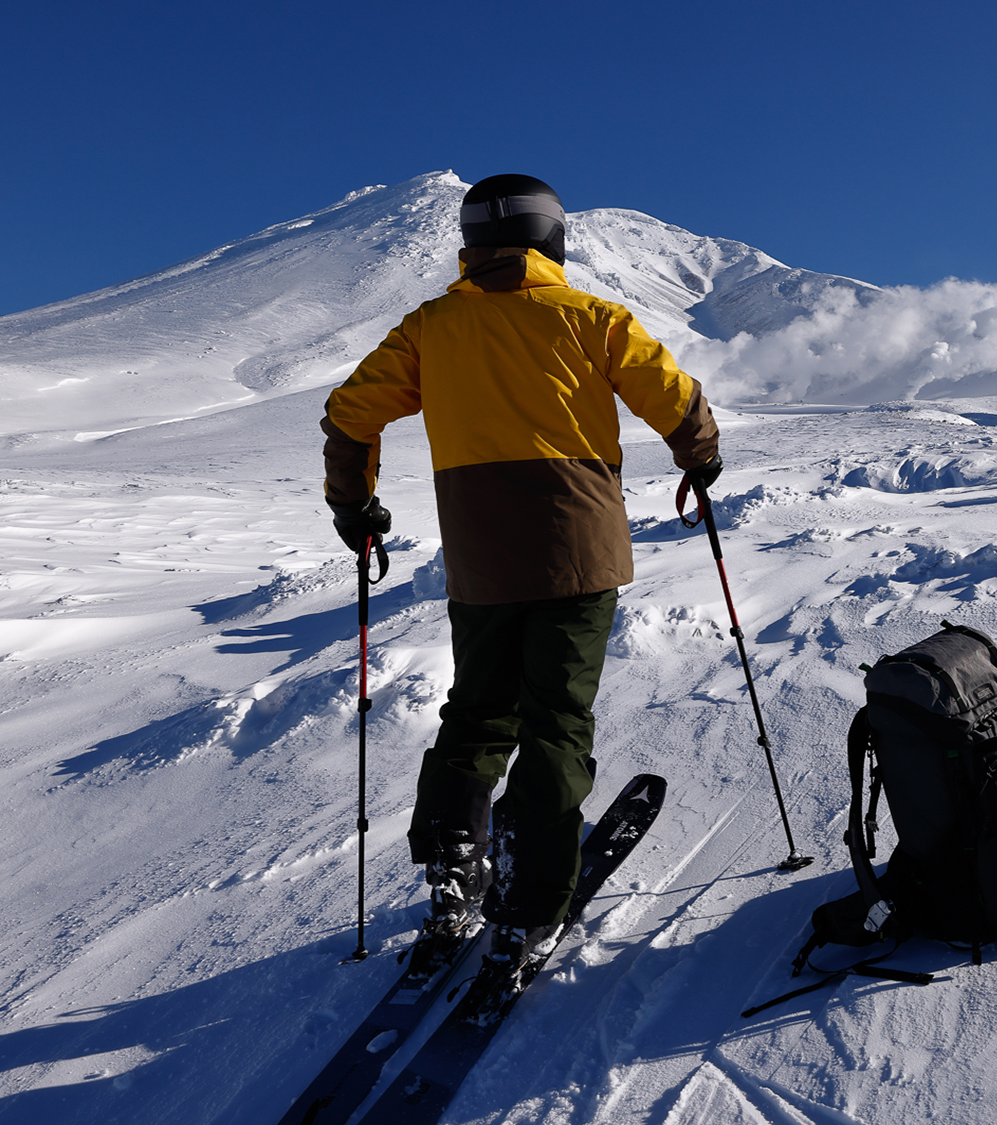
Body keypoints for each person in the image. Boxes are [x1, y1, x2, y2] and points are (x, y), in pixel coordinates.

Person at [319, 173, 721, 1011]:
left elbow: (350, 413)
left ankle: (455, 874)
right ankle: (534, 904)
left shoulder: (433, 326)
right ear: (553, 238)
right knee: (556, 720)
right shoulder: (590, 317)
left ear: (473, 243)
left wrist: (354, 505)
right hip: (579, 557)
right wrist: (700, 456)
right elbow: (675, 399)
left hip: (482, 561)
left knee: (478, 712)